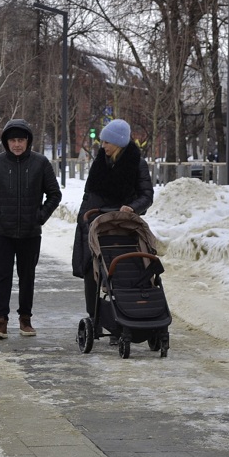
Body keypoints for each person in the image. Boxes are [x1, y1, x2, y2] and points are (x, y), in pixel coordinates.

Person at [0, 118, 62, 339]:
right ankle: (0, 321)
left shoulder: (40, 163)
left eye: (21, 140)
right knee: (1, 276)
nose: (17, 144)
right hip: (2, 233)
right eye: (13, 140)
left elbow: (55, 194)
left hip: (30, 233)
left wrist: (40, 217)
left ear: (28, 141)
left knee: (27, 277)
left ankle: (25, 319)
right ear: (6, 142)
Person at [71, 118, 154, 318]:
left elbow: (147, 195)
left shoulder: (136, 164)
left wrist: (132, 208)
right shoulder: (100, 163)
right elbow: (88, 193)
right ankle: (94, 316)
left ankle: (124, 314)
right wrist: (83, 217)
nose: (103, 145)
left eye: (107, 142)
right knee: (91, 269)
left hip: (122, 225)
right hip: (94, 222)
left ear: (118, 142)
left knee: (122, 271)